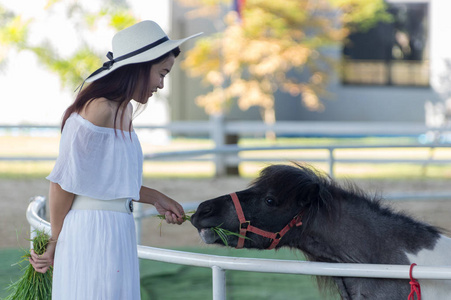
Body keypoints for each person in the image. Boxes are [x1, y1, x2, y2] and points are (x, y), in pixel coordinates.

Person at [28, 20, 202, 299]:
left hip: (117, 227)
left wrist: (156, 198)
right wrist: (55, 242)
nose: (161, 84)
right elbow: (64, 182)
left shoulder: (124, 110)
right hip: (92, 230)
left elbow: (106, 180)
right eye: (161, 73)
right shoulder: (98, 109)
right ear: (140, 67)